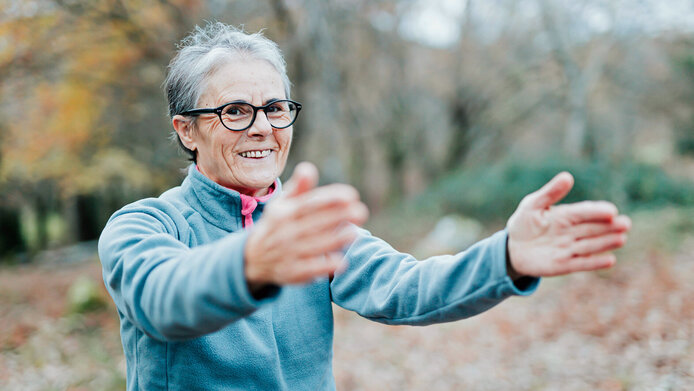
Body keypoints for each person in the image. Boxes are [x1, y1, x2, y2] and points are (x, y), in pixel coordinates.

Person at [98, 22, 631, 391]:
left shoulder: (316, 228)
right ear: (186, 129)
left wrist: (507, 257)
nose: (262, 126)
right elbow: (161, 302)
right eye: (235, 110)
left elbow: (409, 288)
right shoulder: (144, 225)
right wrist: (250, 265)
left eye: (276, 108)